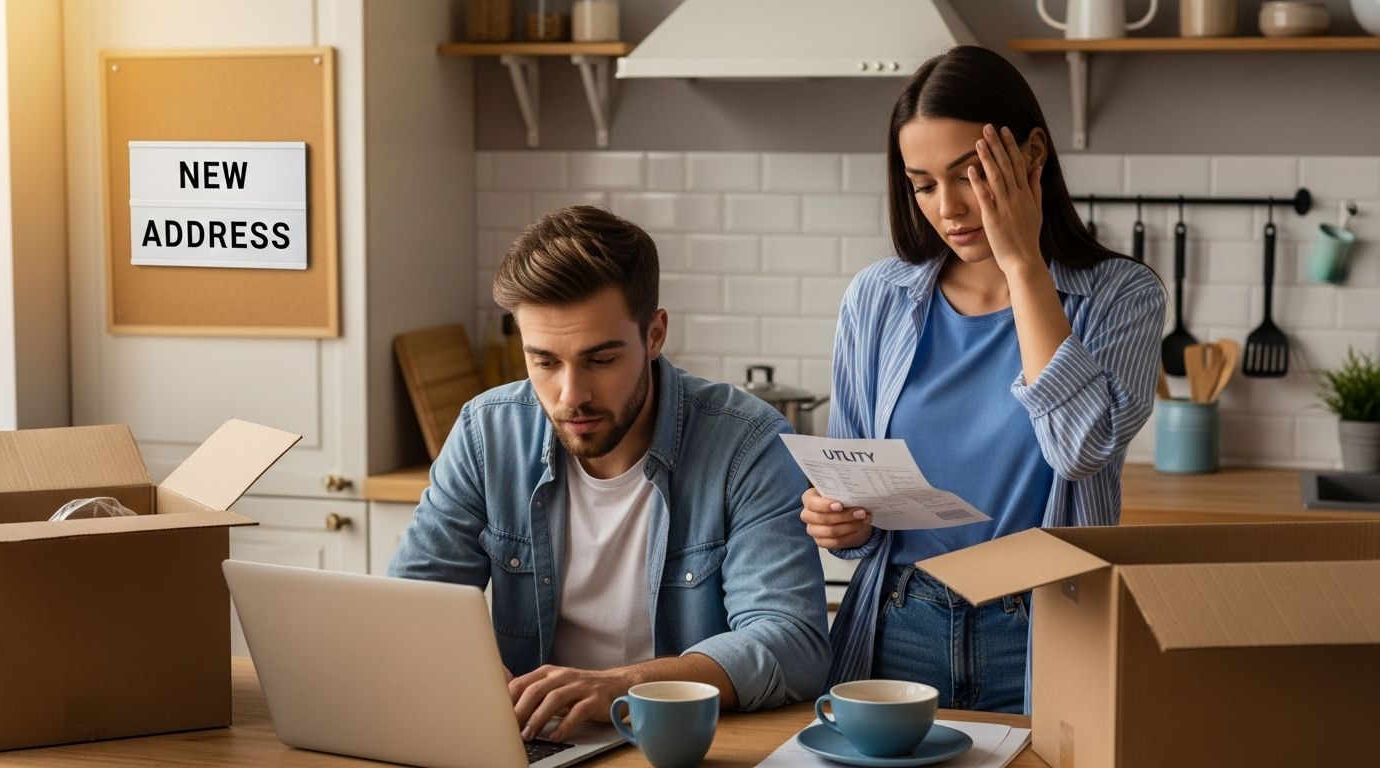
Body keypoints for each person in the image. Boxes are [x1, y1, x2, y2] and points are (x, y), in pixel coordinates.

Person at [802, 46, 1165, 713]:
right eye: (923, 184)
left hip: (1044, 626)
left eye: (969, 174)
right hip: (899, 624)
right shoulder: (878, 299)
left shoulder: (1120, 295)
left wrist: (1023, 264)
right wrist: (839, 523)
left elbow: (1081, 450)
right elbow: (853, 484)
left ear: (1032, 154)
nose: (948, 207)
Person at [389, 205, 830, 743]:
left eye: (600, 360)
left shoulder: (747, 443)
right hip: (535, 741)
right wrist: (472, 680)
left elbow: (791, 642)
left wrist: (624, 686)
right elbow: (412, 608)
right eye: (544, 362)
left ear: (654, 334)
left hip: (687, 748)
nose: (570, 396)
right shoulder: (488, 434)